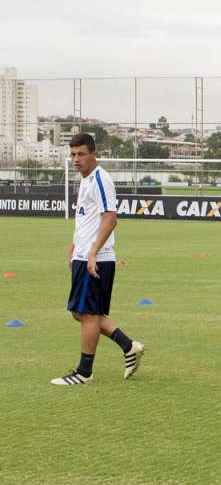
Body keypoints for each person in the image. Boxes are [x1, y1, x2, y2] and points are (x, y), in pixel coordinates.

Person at [52, 132, 145, 386]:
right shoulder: (86, 180)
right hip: (84, 255)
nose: (76, 159)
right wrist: (75, 245)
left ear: (94, 154)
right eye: (72, 154)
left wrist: (92, 251)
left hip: (96, 258)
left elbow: (110, 218)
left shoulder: (101, 179)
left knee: (88, 314)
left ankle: (84, 372)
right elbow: (87, 219)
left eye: (81, 154)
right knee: (80, 313)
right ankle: (129, 346)